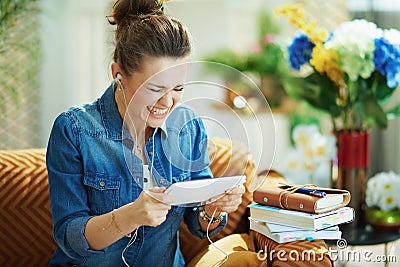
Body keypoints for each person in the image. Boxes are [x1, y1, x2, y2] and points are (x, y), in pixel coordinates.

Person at [46, 0, 245, 266]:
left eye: (178, 89)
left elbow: (196, 219)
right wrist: (130, 216)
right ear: (119, 75)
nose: (167, 102)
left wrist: (213, 209)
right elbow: (70, 236)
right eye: (154, 89)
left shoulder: (188, 127)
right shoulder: (74, 130)